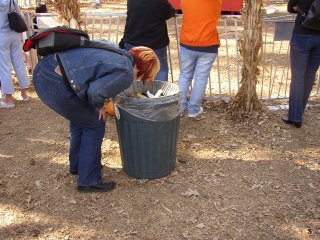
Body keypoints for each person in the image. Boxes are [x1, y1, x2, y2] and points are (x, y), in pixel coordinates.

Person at [32, 41, 160, 192]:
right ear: (145, 69)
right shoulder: (126, 71)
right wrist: (99, 106)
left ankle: (78, 166)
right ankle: (88, 180)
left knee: (80, 120)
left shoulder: (119, 54)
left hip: (44, 69)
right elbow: (95, 92)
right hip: (55, 80)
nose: (142, 80)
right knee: (94, 123)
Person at [178, 0, 221, 118]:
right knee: (201, 78)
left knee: (185, 75)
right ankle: (193, 109)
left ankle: (179, 108)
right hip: (208, 44)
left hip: (187, 42)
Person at [281, 0, 320, 128]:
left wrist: (299, 8)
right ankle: (299, 113)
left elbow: (290, 7)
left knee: (298, 77)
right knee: (309, 77)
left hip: (302, 32)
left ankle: (295, 117)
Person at [121, 0, 175, 81]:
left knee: (131, 69)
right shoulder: (160, 2)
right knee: (161, 70)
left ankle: (132, 92)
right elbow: (169, 12)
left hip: (133, 39)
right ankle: (159, 92)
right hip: (156, 42)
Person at [0, 0, 30, 109]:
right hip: (14, 33)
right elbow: (19, 14)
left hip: (1, 36)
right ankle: (24, 93)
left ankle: (9, 99)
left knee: (4, 67)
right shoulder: (12, 0)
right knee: (19, 64)